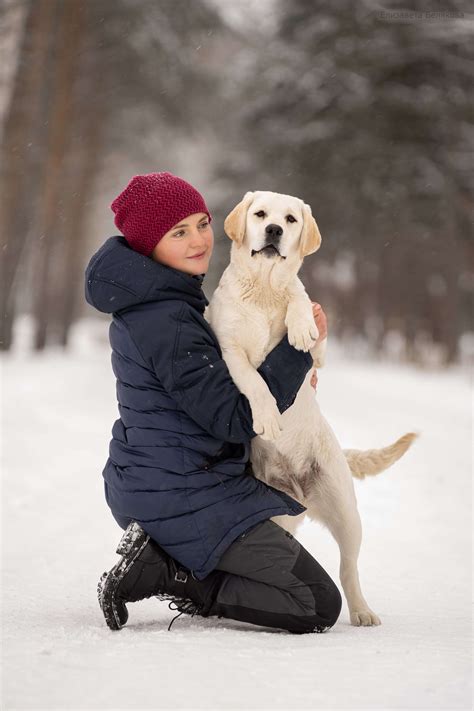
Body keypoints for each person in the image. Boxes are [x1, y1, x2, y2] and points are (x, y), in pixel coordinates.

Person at [85, 172, 342, 634]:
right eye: (178, 232)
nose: (199, 240)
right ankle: (170, 571)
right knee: (315, 603)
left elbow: (214, 387)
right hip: (182, 496)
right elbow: (234, 417)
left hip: (158, 482)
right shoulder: (170, 319)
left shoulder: (161, 299)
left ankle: (166, 554)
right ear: (148, 246)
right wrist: (296, 354)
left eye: (201, 223)